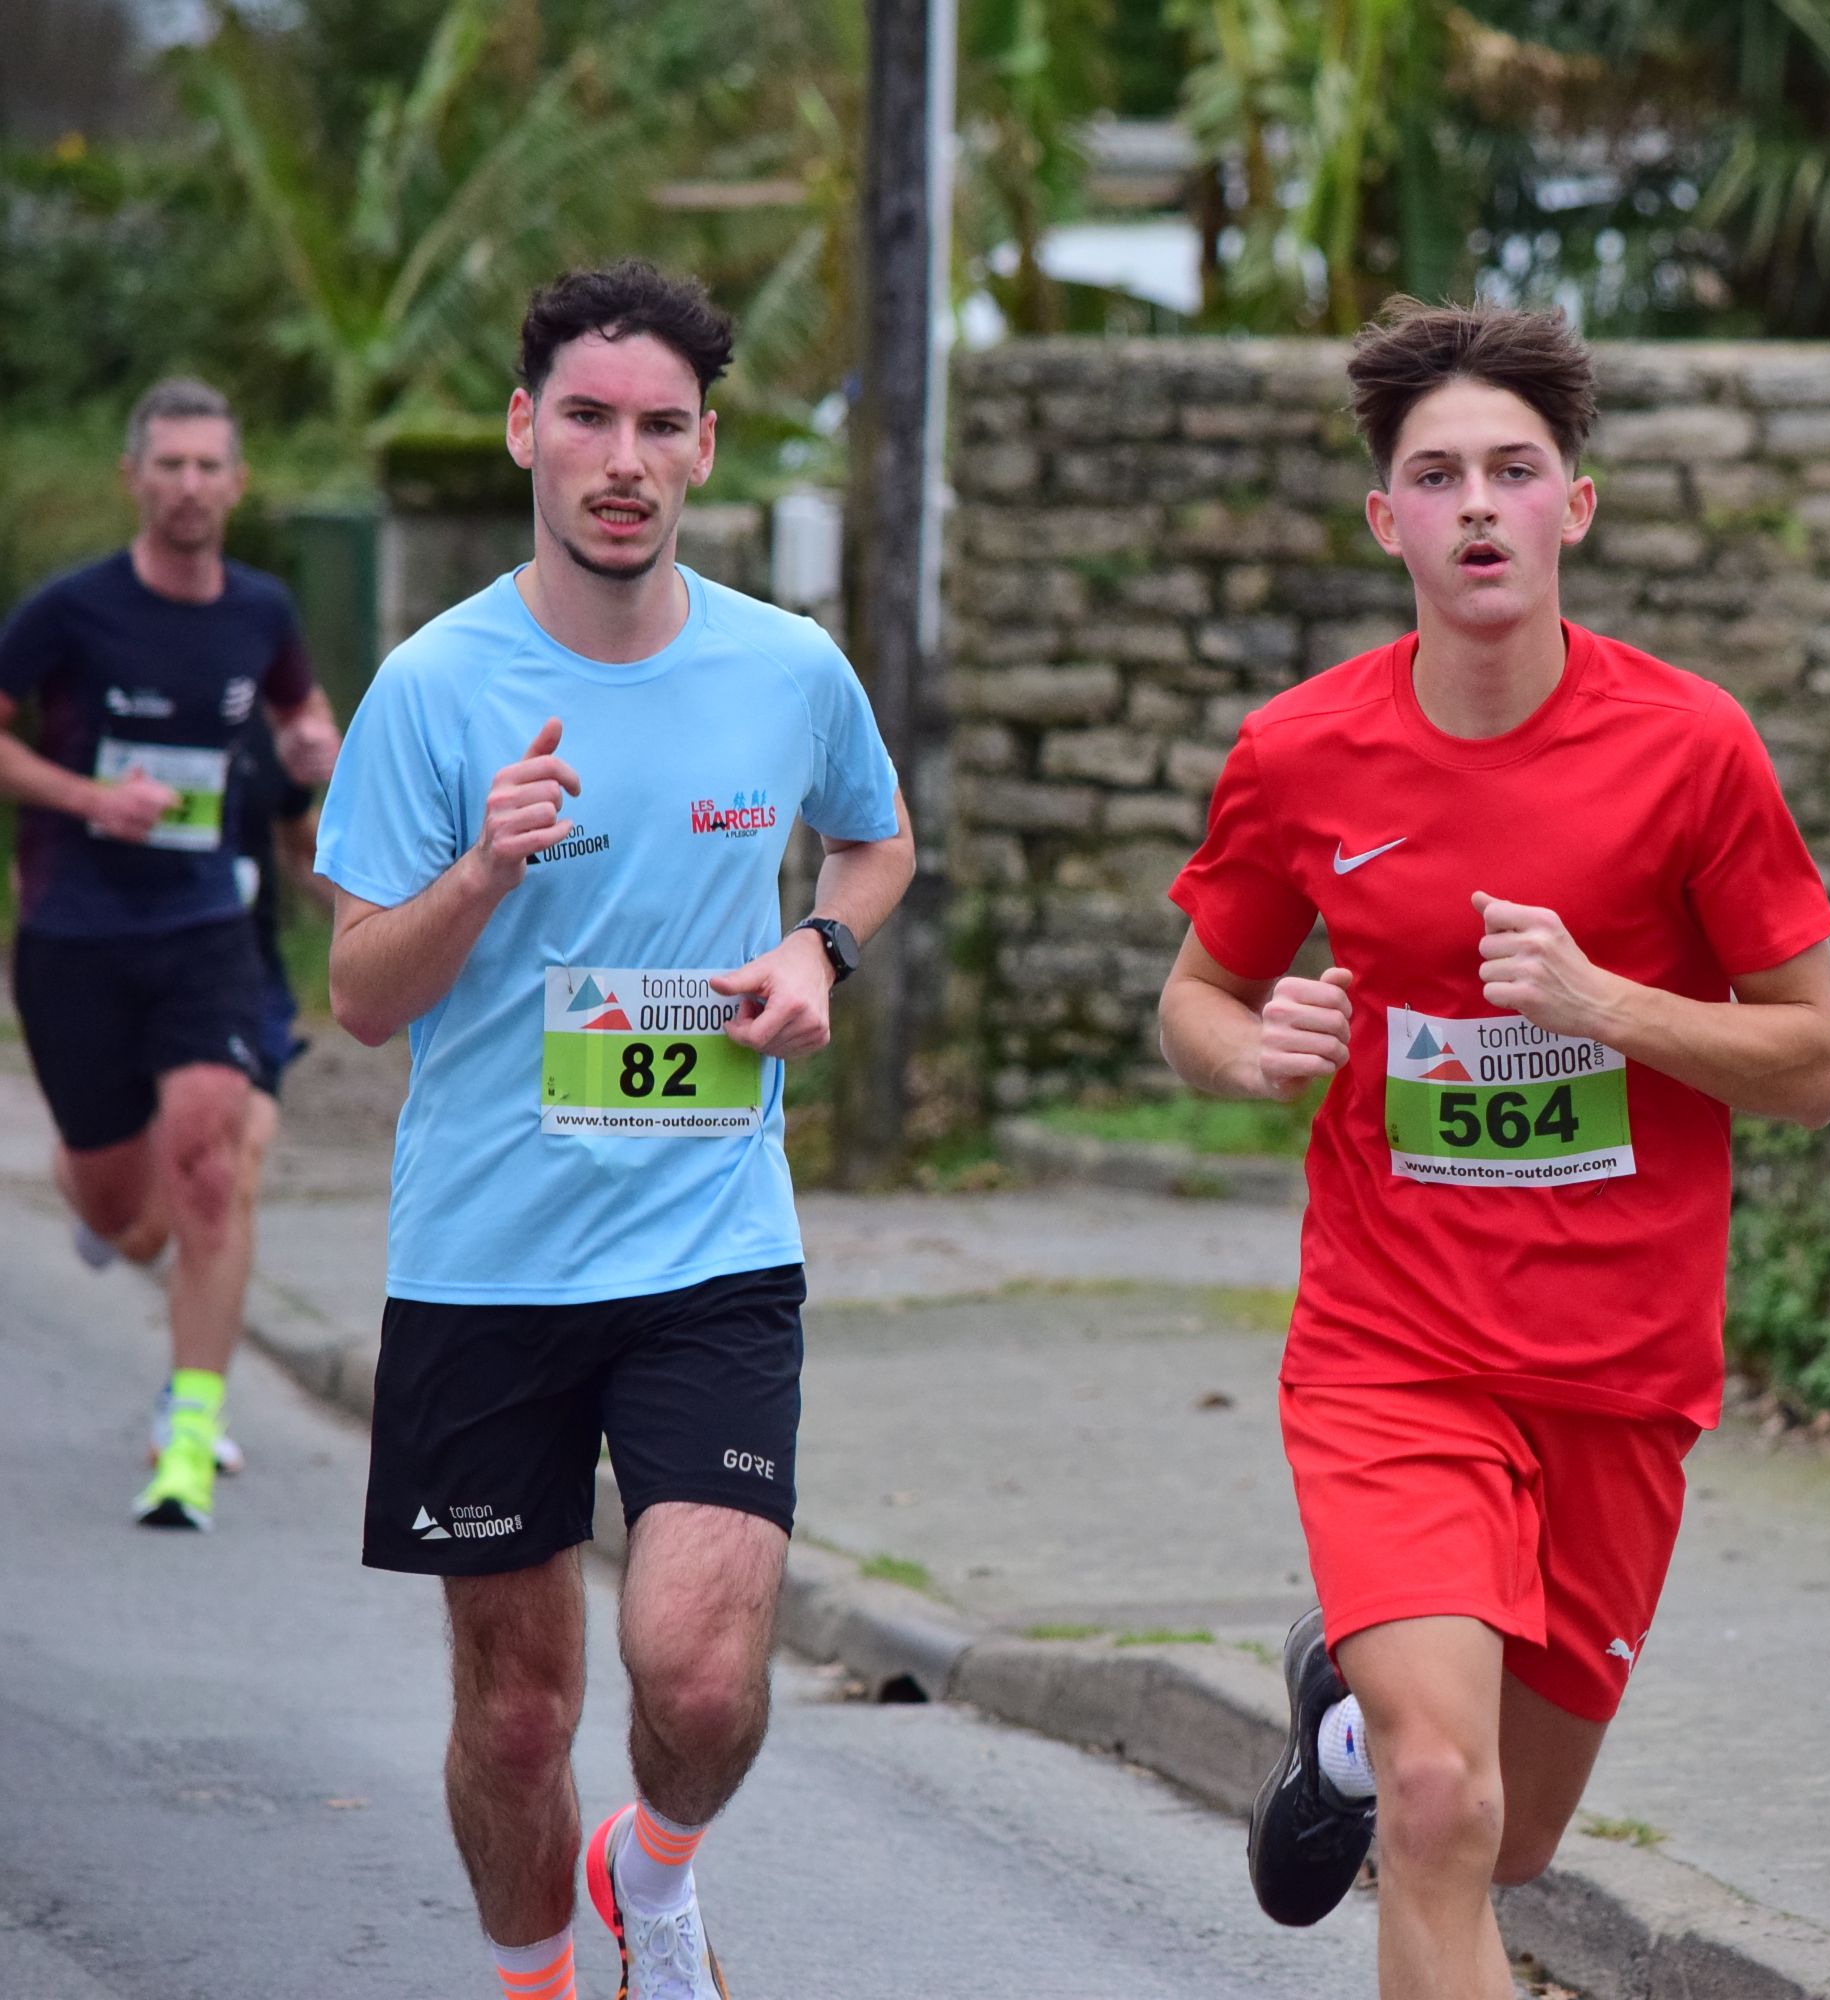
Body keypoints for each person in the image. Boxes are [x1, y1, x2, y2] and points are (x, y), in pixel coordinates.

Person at [1157, 297, 1830, 1999]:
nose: (1478, 503)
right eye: (1437, 475)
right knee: (1443, 1806)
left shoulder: (1691, 749)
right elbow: (1196, 995)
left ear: (1573, 509)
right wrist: (1254, 1054)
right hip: (1392, 1352)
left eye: (1514, 470)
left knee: (1515, 1838)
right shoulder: (1300, 753)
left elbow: (1815, 1061)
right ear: (1384, 519)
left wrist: (1609, 1005)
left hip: (1619, 1370)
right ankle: (1384, 1750)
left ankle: (1341, 1734)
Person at [314, 261, 911, 2000]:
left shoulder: (788, 669)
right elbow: (360, 996)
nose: (623, 459)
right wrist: (481, 873)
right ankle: (539, 1980)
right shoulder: (434, 686)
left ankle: (651, 1871)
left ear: (707, 448)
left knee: (703, 1684)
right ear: (526, 430)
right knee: (517, 1715)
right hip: (485, 1261)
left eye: (661, 425)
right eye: (588, 417)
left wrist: (818, 948)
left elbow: (875, 840)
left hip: (712, 1246)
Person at [0, 376, 341, 1529]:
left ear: (237, 482)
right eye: (169, 465)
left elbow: (303, 721)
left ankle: (189, 1431)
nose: (190, 485)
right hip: (77, 931)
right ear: (133, 479)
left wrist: (313, 742)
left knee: (209, 1157)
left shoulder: (261, 610)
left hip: (205, 925)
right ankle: (86, 1186)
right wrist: (89, 797)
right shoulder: (69, 611)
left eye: (208, 466)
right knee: (125, 1210)